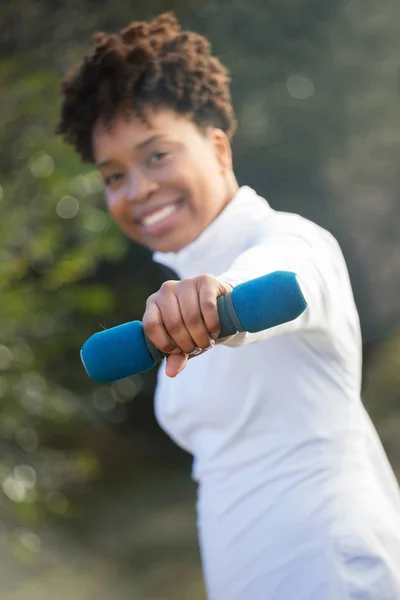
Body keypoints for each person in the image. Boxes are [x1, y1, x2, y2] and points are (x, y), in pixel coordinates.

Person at [57, 12, 400, 599]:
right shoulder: (176, 291)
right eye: (114, 176)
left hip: (335, 577)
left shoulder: (288, 239)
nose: (137, 189)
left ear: (218, 148)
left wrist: (219, 296)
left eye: (157, 155)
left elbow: (292, 276)